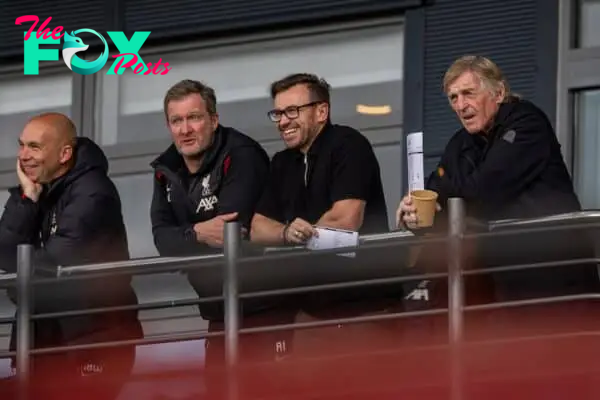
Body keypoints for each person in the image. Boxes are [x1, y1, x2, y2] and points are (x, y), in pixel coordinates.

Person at [396, 55, 599, 309]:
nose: (461, 105)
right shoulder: (460, 143)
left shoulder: (527, 122)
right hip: (500, 285)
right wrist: (415, 214)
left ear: (499, 92)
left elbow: (484, 190)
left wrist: (439, 194)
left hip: (554, 279)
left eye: (468, 93)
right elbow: (440, 201)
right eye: (453, 98)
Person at [149, 79, 295, 397]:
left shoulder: (241, 154)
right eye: (177, 120)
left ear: (214, 120)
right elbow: (161, 239)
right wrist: (198, 232)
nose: (185, 129)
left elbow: (231, 229)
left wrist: (185, 236)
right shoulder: (166, 170)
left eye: (195, 118)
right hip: (218, 314)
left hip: (267, 311)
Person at [250, 73, 400, 363]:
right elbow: (257, 228)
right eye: (278, 113)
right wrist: (285, 233)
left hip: (366, 311)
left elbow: (346, 219)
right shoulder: (281, 163)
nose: (283, 121)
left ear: (322, 111)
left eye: (292, 111)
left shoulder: (349, 145)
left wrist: (301, 235)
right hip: (310, 316)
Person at [0, 113, 142, 400]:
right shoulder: (39, 190)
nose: (23, 156)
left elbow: (52, 267)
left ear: (65, 154)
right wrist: (26, 199)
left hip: (91, 346)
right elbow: (4, 253)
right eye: (22, 145)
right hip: (46, 344)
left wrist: (21, 282)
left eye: (34, 147)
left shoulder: (93, 193)